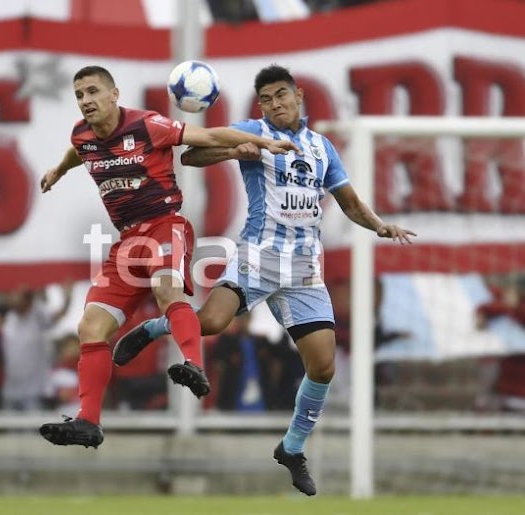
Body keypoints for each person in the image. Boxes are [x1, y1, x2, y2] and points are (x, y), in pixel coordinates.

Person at [113, 64, 416, 495]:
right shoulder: (249, 131)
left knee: (323, 365)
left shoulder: (321, 148)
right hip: (259, 255)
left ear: (298, 97)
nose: (274, 104)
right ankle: (153, 328)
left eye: (280, 95)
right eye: (267, 99)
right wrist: (239, 151)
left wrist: (380, 225)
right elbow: (192, 156)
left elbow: (348, 202)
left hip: (305, 268)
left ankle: (292, 448)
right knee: (213, 322)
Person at [38, 65, 300, 449]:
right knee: (90, 329)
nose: (86, 101)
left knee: (168, 292)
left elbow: (208, 135)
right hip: (127, 243)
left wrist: (265, 143)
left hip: (164, 225)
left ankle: (193, 363)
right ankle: (88, 422)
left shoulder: (148, 125)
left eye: (93, 91)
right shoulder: (82, 136)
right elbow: (77, 152)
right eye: (79, 95)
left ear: (114, 94)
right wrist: (58, 170)